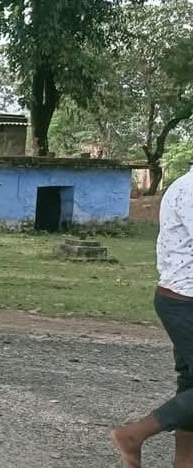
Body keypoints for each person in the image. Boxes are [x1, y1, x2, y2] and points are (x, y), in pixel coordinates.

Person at [110, 164, 193, 468]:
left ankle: (185, 461)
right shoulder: (191, 189)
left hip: (182, 298)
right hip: (186, 300)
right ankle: (133, 435)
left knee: (190, 384)